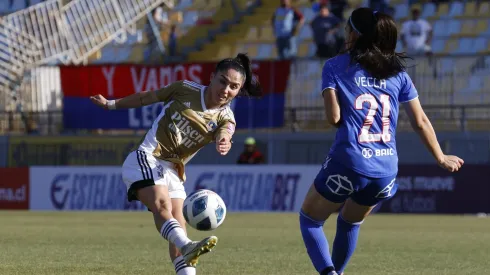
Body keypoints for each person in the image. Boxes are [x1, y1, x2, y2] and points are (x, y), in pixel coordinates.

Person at [299, 8, 464, 275]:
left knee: (310, 220)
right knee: (350, 223)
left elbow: (333, 117)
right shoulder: (398, 73)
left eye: (346, 30)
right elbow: (420, 120)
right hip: (385, 170)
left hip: (349, 159)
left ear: (354, 34)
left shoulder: (335, 66)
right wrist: (441, 158)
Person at [90, 53, 261, 275]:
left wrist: (224, 141)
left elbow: (225, 132)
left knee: (179, 227)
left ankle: (186, 262)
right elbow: (146, 98)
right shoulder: (185, 89)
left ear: (239, 90)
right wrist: (111, 104)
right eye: (223, 81)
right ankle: (188, 245)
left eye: (234, 86)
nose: (226, 89)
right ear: (212, 77)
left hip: (173, 171)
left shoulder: (226, 118)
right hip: (147, 156)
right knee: (163, 207)